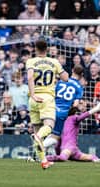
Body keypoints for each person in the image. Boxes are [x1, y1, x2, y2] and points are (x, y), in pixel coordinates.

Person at [26, 39, 68, 169]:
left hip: (33, 99)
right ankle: (38, 137)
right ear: (47, 49)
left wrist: (33, 94)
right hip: (46, 98)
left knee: (37, 129)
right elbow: (65, 78)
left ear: (35, 49)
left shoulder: (31, 61)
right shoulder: (54, 62)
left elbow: (29, 77)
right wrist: (59, 71)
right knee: (48, 127)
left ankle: (43, 161)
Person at [43, 65, 84, 151]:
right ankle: (40, 146)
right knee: (55, 137)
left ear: (72, 70)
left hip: (51, 109)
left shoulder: (61, 81)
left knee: (49, 133)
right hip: (62, 113)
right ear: (81, 75)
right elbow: (75, 105)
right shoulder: (79, 87)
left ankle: (38, 156)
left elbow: (52, 94)